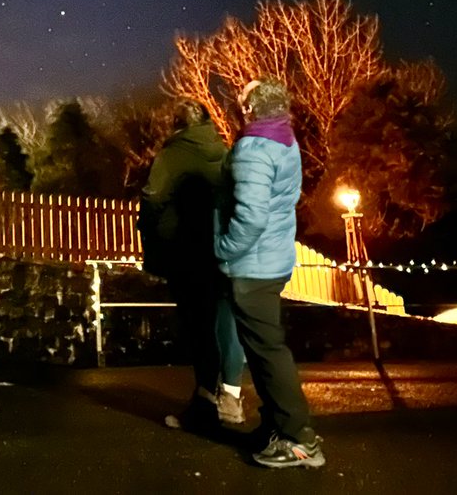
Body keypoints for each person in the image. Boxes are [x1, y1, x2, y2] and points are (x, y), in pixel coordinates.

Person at [214, 78, 324, 468]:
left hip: (252, 266)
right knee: (265, 351)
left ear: (250, 109)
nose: (239, 104)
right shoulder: (285, 139)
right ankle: (278, 426)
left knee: (267, 355)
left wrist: (224, 250)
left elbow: (250, 216)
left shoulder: (253, 149)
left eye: (243, 100)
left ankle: (299, 439)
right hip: (273, 260)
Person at [137, 102, 247, 432]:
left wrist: (154, 244)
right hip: (225, 249)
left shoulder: (172, 156)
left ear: (176, 126)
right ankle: (231, 397)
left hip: (187, 253)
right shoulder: (225, 151)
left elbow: (153, 200)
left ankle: (204, 402)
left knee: (200, 327)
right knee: (228, 321)